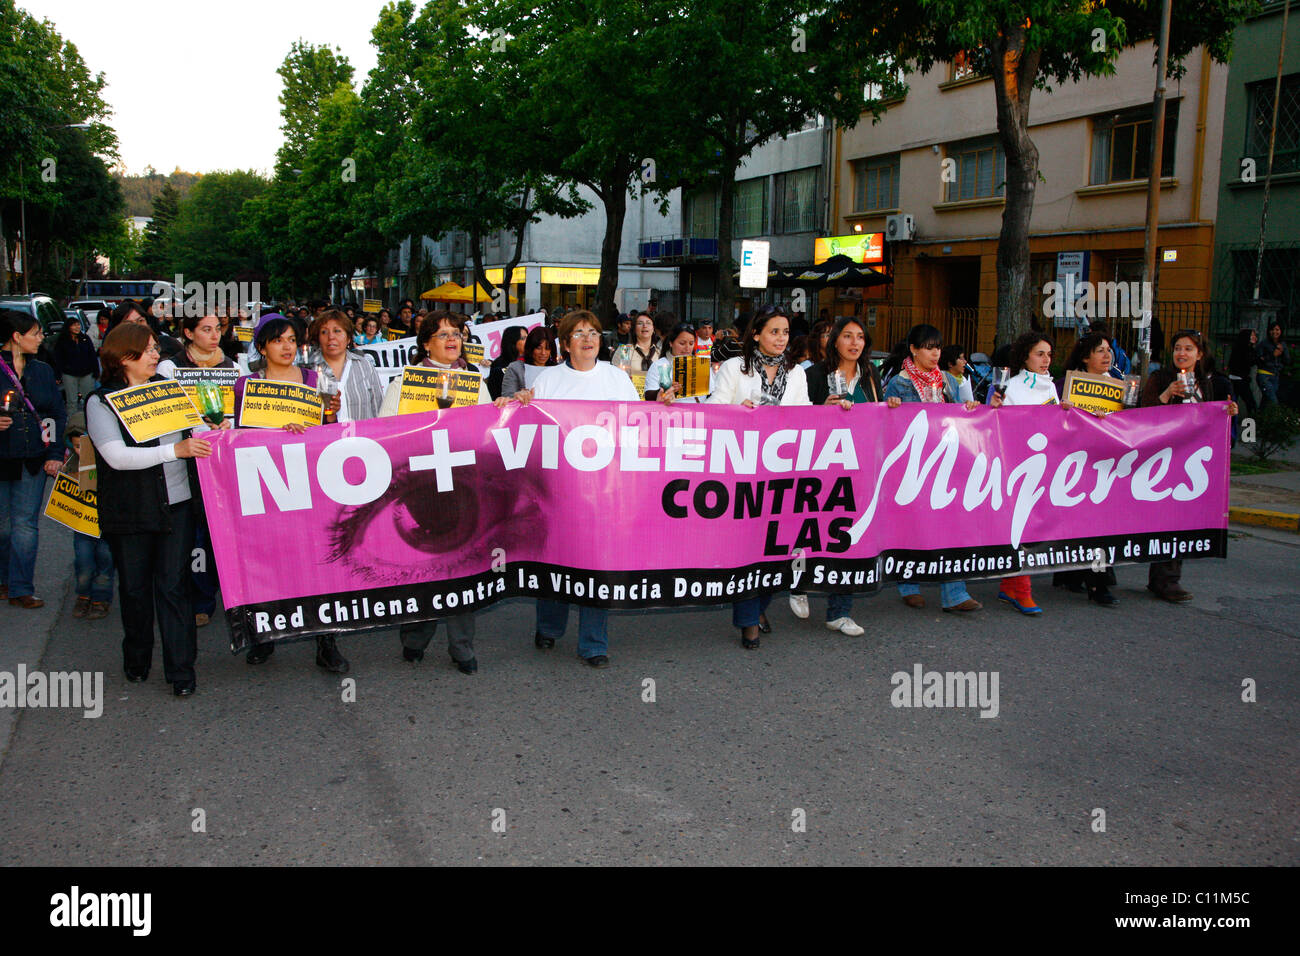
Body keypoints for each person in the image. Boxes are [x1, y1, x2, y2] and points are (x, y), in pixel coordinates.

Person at [378, 311, 507, 674]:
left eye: (458, 334)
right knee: (425, 565)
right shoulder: (405, 382)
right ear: (425, 344)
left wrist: (496, 411)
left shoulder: (473, 382)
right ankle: (415, 637)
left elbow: (485, 436)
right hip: (418, 489)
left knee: (462, 564)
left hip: (463, 487)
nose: (453, 340)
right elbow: (385, 434)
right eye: (444, 334)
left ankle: (461, 646)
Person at [86, 323, 211, 696]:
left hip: (178, 507)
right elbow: (116, 457)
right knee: (136, 591)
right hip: (130, 512)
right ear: (125, 358)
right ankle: (137, 659)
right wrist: (175, 451)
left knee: (174, 588)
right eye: (150, 350)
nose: (157, 354)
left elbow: (200, 431)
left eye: (157, 348)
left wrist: (216, 429)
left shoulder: (169, 391)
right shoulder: (100, 401)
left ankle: (182, 672)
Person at [512, 310, 639, 668]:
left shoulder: (617, 378)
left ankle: (594, 644)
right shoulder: (549, 380)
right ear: (565, 344)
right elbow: (530, 429)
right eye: (579, 333)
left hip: (605, 490)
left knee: (596, 563)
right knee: (558, 558)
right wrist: (520, 403)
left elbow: (639, 426)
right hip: (560, 490)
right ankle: (549, 626)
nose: (588, 338)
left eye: (594, 332)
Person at [235, 318, 348, 672]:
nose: (287, 347)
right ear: (262, 347)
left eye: (292, 340)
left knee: (318, 559)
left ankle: (325, 640)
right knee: (267, 560)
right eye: (278, 341)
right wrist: (272, 431)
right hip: (265, 483)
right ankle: (264, 636)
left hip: (311, 482)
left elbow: (330, 429)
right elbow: (237, 437)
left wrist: (326, 416)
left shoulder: (316, 380)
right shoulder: (245, 386)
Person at [708, 305, 810, 648]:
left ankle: (759, 607)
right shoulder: (736, 368)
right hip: (742, 473)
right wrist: (738, 413)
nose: (781, 338)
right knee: (747, 552)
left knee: (779, 552)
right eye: (774, 331)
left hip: (783, 473)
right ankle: (749, 621)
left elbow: (808, 417)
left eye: (785, 332)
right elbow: (713, 409)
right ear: (756, 334)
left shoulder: (796, 373)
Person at [800, 315, 898, 634]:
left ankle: (838, 612)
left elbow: (879, 416)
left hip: (860, 468)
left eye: (860, 337)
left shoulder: (871, 374)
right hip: (820, 468)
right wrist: (820, 408)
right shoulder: (814, 374)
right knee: (812, 531)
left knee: (848, 536)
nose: (855, 342)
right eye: (847, 336)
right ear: (834, 341)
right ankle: (798, 581)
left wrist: (890, 406)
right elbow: (794, 420)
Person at [883, 324, 983, 614]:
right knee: (913, 524)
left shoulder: (948, 382)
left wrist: (971, 408)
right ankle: (908, 584)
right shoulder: (898, 383)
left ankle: (955, 592)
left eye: (938, 346)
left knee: (951, 525)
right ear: (913, 350)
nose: (935, 352)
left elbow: (961, 416)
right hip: (913, 464)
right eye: (928, 347)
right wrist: (891, 407)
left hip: (945, 462)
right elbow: (891, 425)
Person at [1141, 329, 1238, 602]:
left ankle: (1168, 578)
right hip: (1162, 459)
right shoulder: (1161, 378)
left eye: (1188, 348)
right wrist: (1166, 394)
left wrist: (1230, 413)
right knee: (1162, 518)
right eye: (1177, 348)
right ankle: (1161, 577)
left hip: (1195, 462)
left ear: (1200, 354)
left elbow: (1224, 417)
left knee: (1182, 518)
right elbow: (1142, 413)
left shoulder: (1214, 382)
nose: (1181, 354)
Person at [157, 312, 238, 628]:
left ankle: (219, 596)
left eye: (218, 328)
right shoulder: (170, 368)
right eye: (206, 329)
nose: (214, 334)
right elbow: (165, 415)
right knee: (189, 534)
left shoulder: (232, 367)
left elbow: (241, 411)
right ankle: (195, 598)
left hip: (220, 461)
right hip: (183, 460)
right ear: (188, 333)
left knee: (215, 532)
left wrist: (228, 423)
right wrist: (193, 425)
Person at [987, 332, 1058, 615]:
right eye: (1040, 354)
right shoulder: (1011, 386)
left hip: (1044, 462)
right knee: (1021, 527)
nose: (1046, 360)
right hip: (1018, 465)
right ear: (1025, 356)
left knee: (1028, 524)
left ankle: (1008, 586)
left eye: (1049, 354)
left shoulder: (1051, 387)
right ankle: (1024, 591)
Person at [1049, 332, 1121, 606]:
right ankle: (1079, 577)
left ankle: (1097, 581)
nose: (1107, 355)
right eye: (1100, 350)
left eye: (1108, 350)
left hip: (1103, 465)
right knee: (1078, 524)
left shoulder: (1117, 386)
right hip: (1071, 465)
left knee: (1098, 525)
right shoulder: (1064, 386)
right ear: (1085, 357)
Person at [0, 310, 66, 607]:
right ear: (16, 336)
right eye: (36, 333)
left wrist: (54, 453)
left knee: (25, 524)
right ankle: (5, 579)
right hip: (2, 457)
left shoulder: (40, 370)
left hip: (32, 459)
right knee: (3, 526)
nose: (41, 338)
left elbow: (56, 412)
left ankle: (21, 588)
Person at [64, 413, 114, 620]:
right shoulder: (73, 463)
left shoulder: (110, 459)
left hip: (107, 522)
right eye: (77, 446)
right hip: (83, 523)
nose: (81, 451)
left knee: (106, 559)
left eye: (85, 445)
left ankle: (101, 598)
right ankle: (83, 595)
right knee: (83, 560)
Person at [306, 310, 385, 423]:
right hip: (323, 439)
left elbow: (379, 411)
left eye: (337, 331)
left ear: (348, 338)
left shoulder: (365, 366)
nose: (331, 337)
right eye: (324, 332)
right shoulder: (308, 369)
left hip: (363, 439)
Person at [646, 323, 710, 403]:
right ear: (671, 343)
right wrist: (664, 390)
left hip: (698, 412)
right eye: (682, 343)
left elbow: (712, 393)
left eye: (691, 343)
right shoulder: (659, 365)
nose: (687, 348)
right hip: (671, 412)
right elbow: (648, 395)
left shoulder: (701, 364)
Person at [53, 317, 99, 412]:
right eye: (74, 325)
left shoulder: (85, 339)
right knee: (72, 401)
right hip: (69, 374)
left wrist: (96, 371)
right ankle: (72, 422)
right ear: (68, 327)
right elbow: (58, 359)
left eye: (78, 324)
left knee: (89, 399)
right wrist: (58, 375)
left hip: (86, 373)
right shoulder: (62, 341)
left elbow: (92, 356)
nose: (77, 327)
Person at [500, 326, 557, 397]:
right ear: (531, 348)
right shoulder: (516, 368)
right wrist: (517, 396)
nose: (543, 353)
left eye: (547, 348)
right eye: (539, 348)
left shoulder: (558, 369)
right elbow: (506, 396)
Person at [487, 325, 527, 399]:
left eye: (528, 337)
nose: (528, 341)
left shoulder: (530, 362)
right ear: (513, 341)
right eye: (523, 338)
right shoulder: (498, 365)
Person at [1228, 328, 1259, 418]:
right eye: (1252, 335)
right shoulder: (1244, 350)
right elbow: (1249, 361)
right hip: (1240, 379)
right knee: (1250, 402)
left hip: (1237, 378)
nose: (1254, 337)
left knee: (1235, 401)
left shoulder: (1242, 348)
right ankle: (1253, 420)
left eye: (1254, 335)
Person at [1257, 321, 1289, 406]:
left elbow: (1287, 361)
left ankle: (1259, 417)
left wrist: (1282, 351)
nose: (1274, 332)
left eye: (1277, 329)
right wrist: (1272, 355)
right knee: (1273, 400)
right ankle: (1278, 416)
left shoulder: (1282, 344)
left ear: (1281, 331)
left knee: (1266, 400)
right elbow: (1259, 359)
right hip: (1264, 375)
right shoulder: (1264, 343)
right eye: (1272, 330)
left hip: (1275, 376)